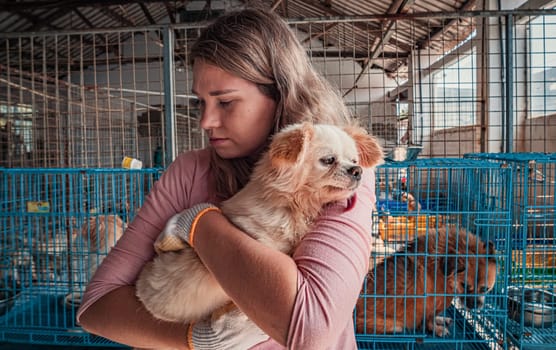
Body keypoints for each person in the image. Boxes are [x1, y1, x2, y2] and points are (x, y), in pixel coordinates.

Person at [77, 7, 376, 350]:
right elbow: (96, 306)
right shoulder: (190, 170)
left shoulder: (336, 174)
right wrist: (198, 339)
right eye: (201, 102)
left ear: (279, 96)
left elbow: (311, 330)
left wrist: (200, 224)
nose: (206, 121)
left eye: (226, 102)